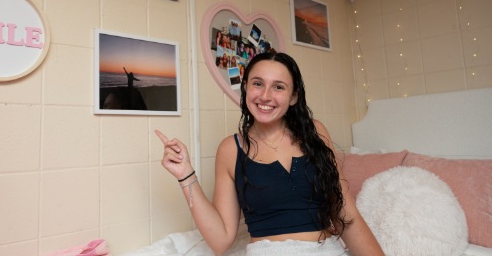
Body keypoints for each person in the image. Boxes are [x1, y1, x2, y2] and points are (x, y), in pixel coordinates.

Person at [155, 52, 384, 256]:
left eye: (278, 87)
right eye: (257, 84)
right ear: (245, 87)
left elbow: (345, 210)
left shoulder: (315, 132)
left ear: (293, 97)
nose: (265, 96)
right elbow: (221, 240)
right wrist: (185, 174)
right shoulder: (230, 149)